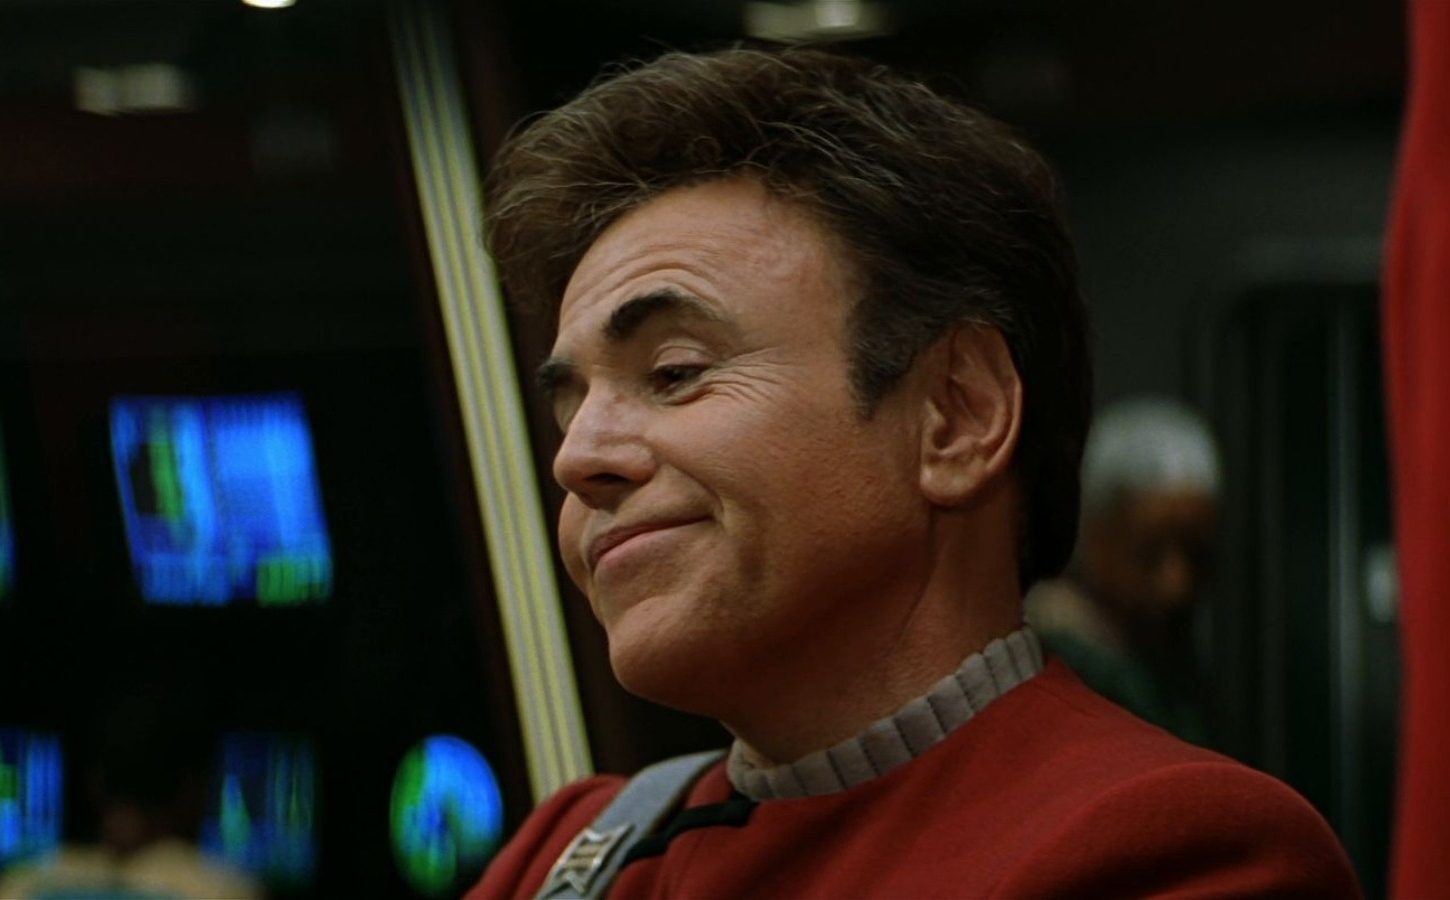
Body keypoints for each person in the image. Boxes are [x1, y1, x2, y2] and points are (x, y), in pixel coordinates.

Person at [469, 47, 1358, 898]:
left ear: (957, 417)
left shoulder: (1171, 847)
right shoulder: (576, 851)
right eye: (569, 412)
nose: (577, 458)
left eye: (675, 373)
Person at [1027, 396, 1221, 744]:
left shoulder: (1173, 665)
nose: (1177, 582)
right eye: (1149, 552)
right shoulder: (1055, 660)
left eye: (1196, 554)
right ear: (1096, 534)